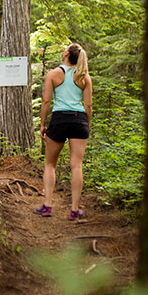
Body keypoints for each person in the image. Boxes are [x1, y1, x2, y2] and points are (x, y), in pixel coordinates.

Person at [34, 43, 92, 220]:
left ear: (66, 53)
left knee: (50, 164)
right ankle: (74, 210)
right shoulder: (84, 76)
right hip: (79, 120)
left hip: (59, 119)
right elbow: (88, 105)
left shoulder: (53, 74)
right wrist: (86, 124)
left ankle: (48, 206)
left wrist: (43, 124)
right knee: (76, 165)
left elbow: (45, 101)